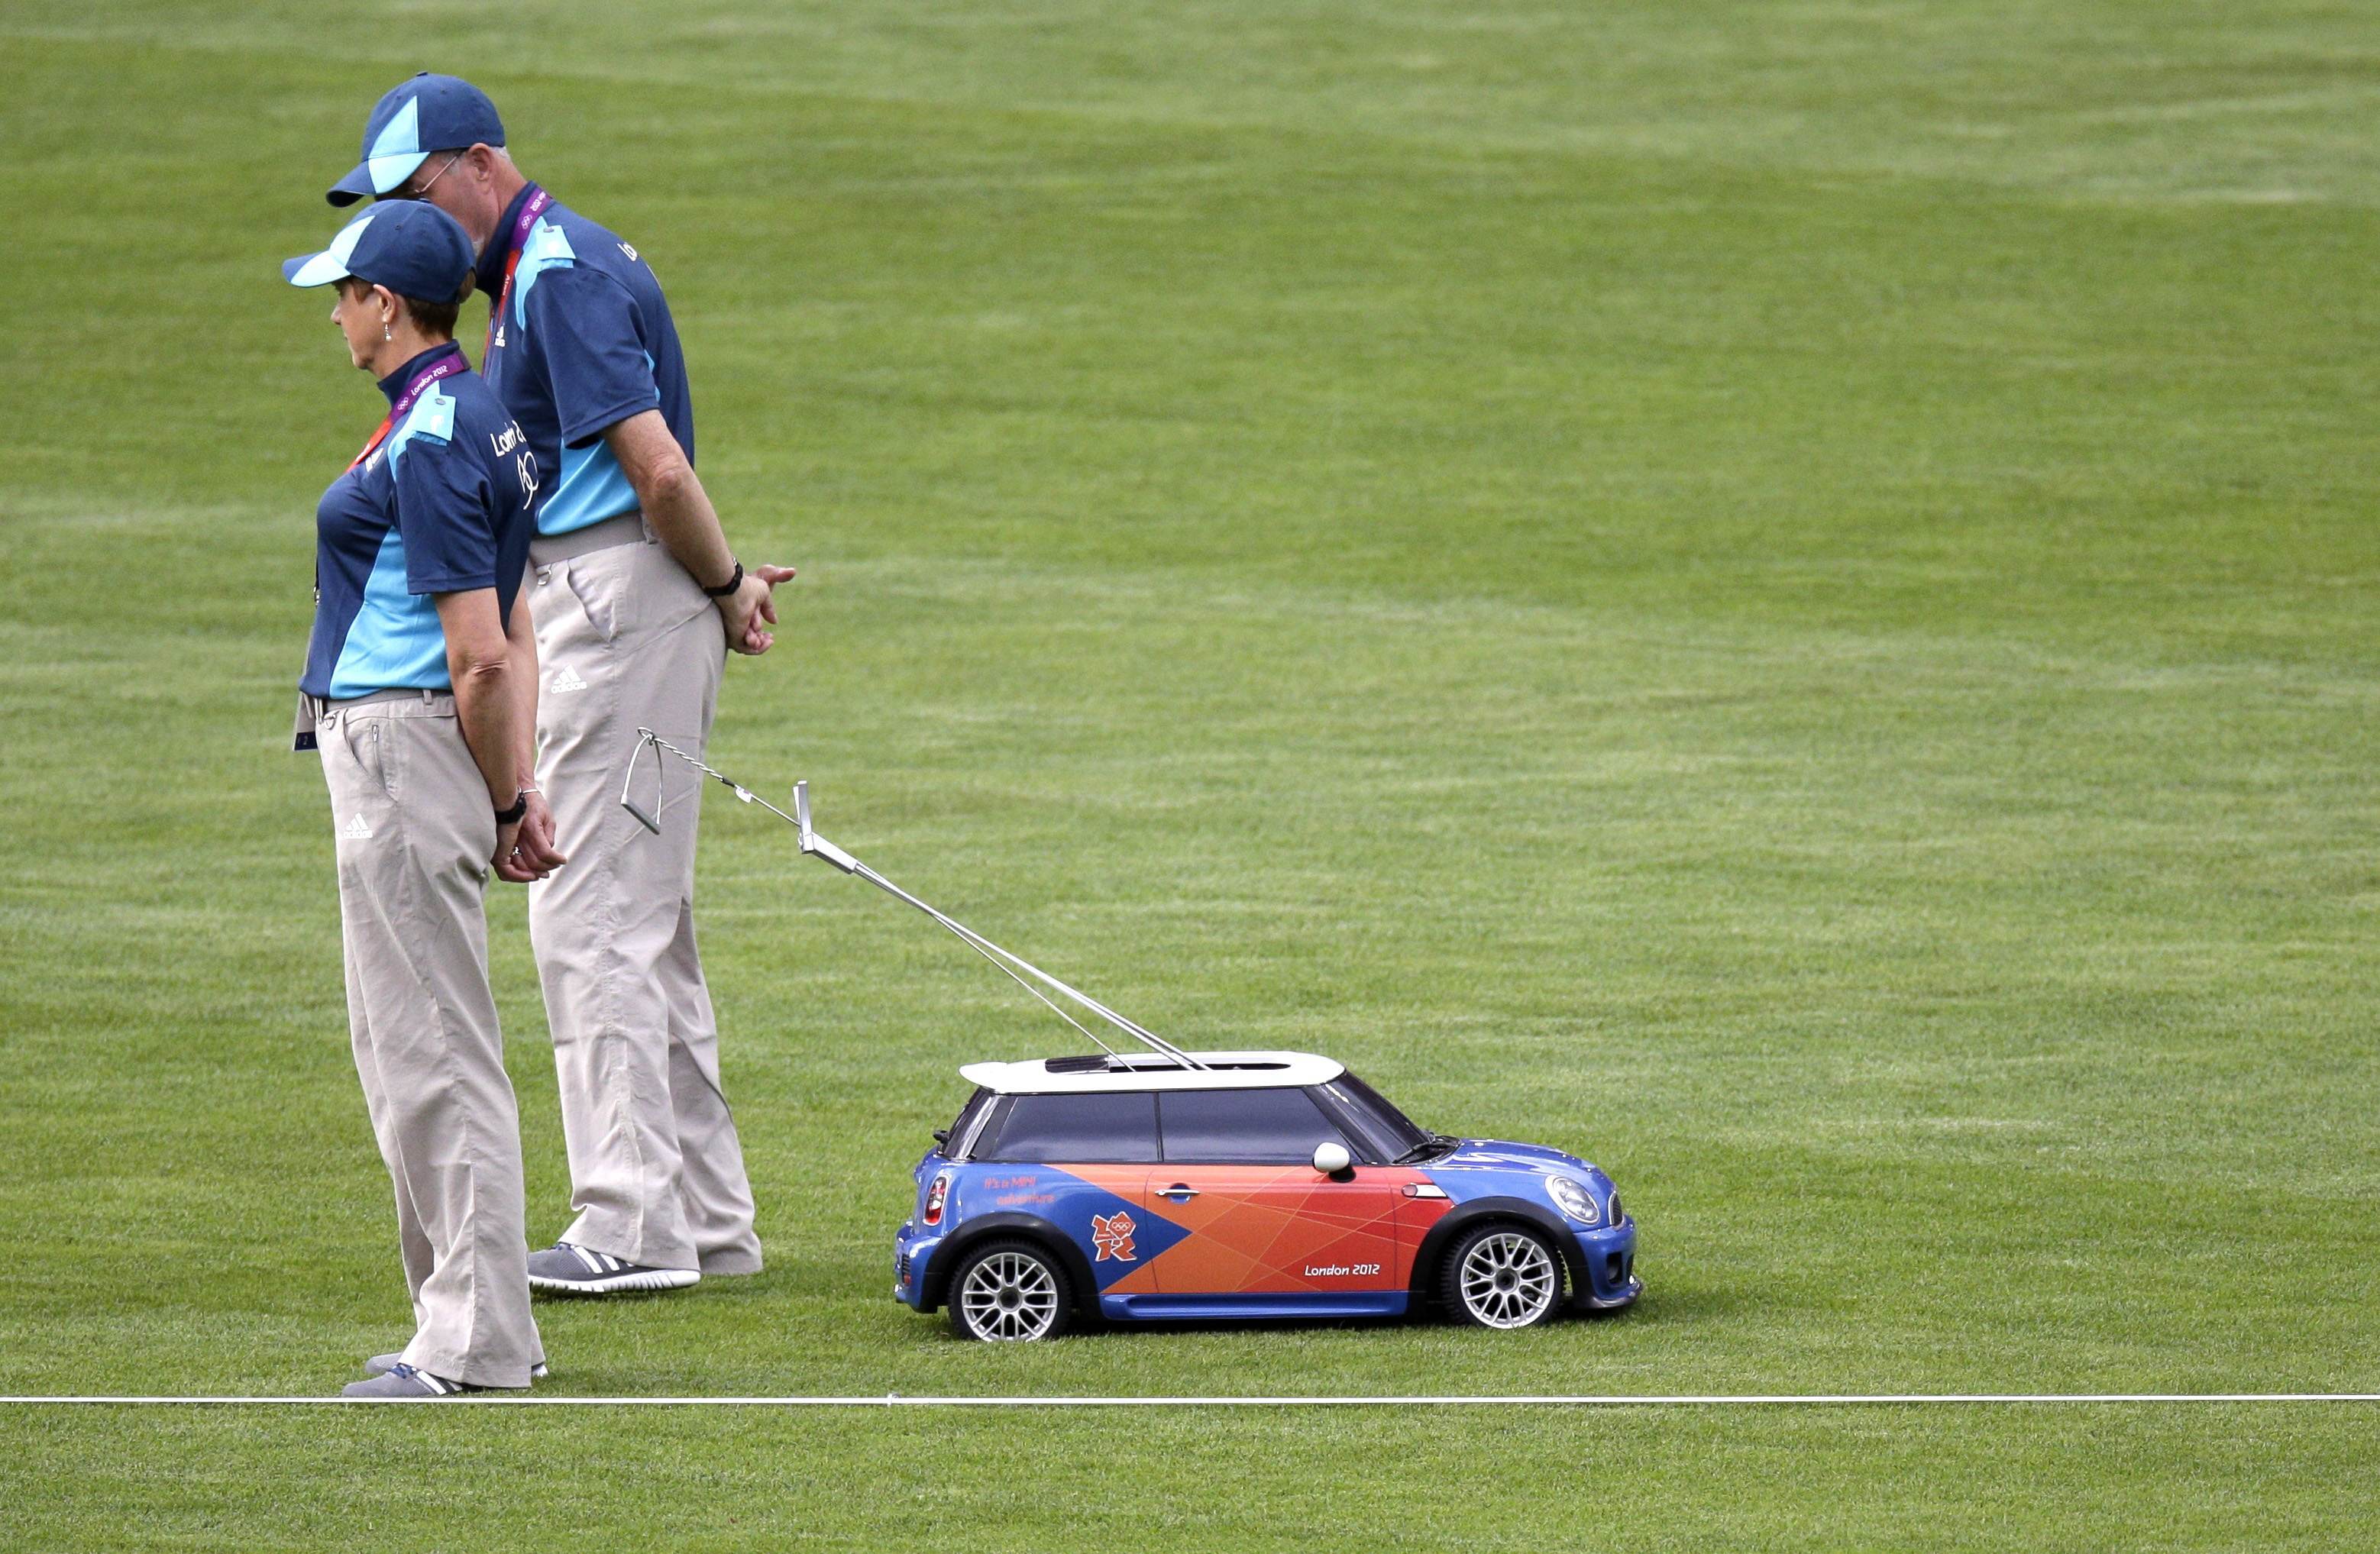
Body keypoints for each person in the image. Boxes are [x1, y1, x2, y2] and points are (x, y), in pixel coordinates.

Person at [327, 75, 790, 1294]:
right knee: (647, 919)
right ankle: (705, 1218)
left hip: (613, 603)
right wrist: (715, 583)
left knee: (591, 915)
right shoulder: (542, 268)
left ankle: (632, 1226)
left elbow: (661, 471)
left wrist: (729, 578)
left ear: (481, 164)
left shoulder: (557, 278)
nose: (412, 225)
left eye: (419, 194)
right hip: (622, 595)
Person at [285, 199, 558, 1395]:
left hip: (405, 753)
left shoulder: (437, 430)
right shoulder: (467, 412)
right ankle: (458, 1319)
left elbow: (484, 652)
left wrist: (508, 804)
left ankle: (473, 1343)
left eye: (343, 295)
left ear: (385, 307)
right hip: (416, 753)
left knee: (433, 1052)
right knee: (412, 1050)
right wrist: (517, 786)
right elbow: (517, 629)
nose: (336, 315)